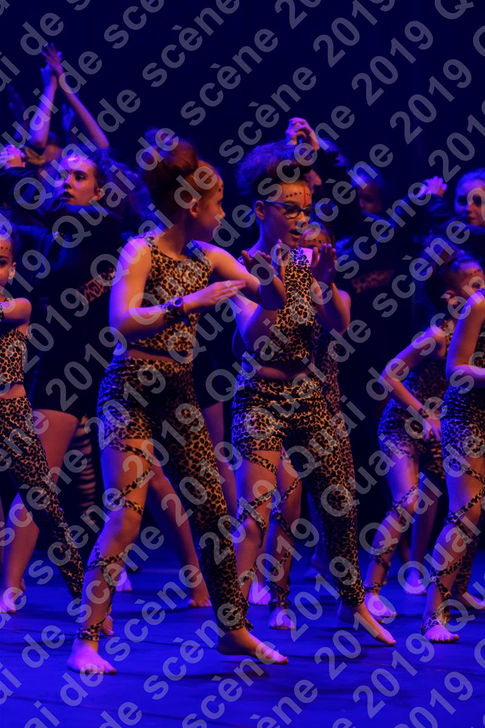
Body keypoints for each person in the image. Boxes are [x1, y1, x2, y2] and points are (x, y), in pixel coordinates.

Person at [67, 138, 288, 674]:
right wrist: (188, 302)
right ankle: (86, 642)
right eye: (218, 205)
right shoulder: (140, 250)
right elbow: (122, 321)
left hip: (179, 393)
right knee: (125, 515)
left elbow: (271, 299)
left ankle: (233, 630)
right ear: (192, 205)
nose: (223, 215)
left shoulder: (211, 256)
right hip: (130, 391)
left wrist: (271, 266)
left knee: (213, 512)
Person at [230, 140, 395, 648]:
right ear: (261, 211)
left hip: (314, 396)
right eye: (290, 209)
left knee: (341, 503)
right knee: (258, 509)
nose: (301, 218)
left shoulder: (313, 258)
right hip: (262, 396)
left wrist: (322, 283)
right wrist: (273, 288)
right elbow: (252, 339)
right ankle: (235, 621)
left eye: (306, 208)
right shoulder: (243, 263)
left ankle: (353, 603)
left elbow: (339, 325)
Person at [364, 254, 485, 620]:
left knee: (459, 507)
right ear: (451, 297)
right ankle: (370, 590)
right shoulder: (437, 336)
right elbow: (389, 374)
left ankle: (450, 585)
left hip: (443, 424)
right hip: (403, 425)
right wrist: (423, 413)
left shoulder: (478, 329)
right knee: (408, 501)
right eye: (474, 282)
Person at [0, 227, 84, 611]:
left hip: (13, 415)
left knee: (45, 507)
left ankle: (86, 597)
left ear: (13, 268)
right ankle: (7, 588)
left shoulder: (20, 306)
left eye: (1, 262)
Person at [421, 281, 485, 642]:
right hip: (467, 414)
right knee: (466, 511)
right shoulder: (480, 303)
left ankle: (459, 591)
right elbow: (455, 369)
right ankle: (433, 612)